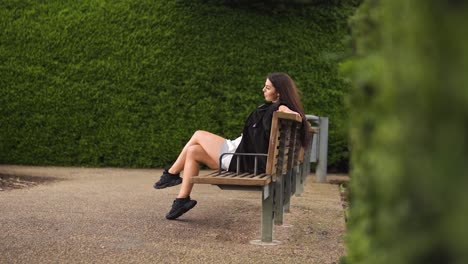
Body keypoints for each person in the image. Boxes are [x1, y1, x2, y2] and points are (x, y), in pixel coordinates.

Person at [154, 72, 309, 220]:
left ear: (279, 93)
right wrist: (288, 110)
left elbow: (282, 109)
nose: (263, 89)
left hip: (239, 157)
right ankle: (182, 199)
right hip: (242, 155)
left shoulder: (275, 109)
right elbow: (282, 111)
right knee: (193, 151)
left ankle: (171, 174)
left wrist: (285, 109)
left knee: (198, 134)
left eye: (268, 87)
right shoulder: (271, 109)